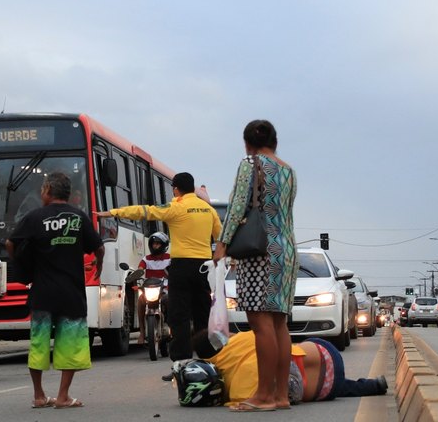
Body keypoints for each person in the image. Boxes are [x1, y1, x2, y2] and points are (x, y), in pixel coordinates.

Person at [97, 171, 222, 380]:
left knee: (179, 315)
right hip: (204, 267)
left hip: (181, 267)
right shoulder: (208, 210)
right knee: (202, 314)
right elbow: (221, 236)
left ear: (175, 188)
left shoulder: (175, 207)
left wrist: (112, 212)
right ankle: (209, 360)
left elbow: (144, 211)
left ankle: (181, 364)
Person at [213, 119, 298, 411]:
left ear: (247, 144)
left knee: (260, 323)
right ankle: (281, 395)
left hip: (259, 252)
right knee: (279, 323)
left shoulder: (251, 165)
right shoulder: (289, 171)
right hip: (285, 250)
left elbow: (238, 205)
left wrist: (222, 244)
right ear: (275, 141)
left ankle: (263, 395)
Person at [5, 172, 105, 410]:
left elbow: (11, 243)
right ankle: (62, 396)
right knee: (70, 345)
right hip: (71, 293)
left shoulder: (34, 217)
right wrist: (98, 268)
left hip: (42, 292)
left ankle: (39, 395)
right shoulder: (79, 217)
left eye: (42, 189)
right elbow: (99, 248)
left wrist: (23, 264)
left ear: (48, 190)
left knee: (38, 344)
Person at [189, 330, 387, 409]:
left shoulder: (235, 388)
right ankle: (368, 385)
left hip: (326, 389)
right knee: (294, 350)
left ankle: (369, 386)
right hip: (324, 350)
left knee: (334, 385)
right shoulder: (246, 337)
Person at [136, 231, 171, 345]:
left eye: (158, 244)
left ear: (164, 245)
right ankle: (142, 332)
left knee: (170, 301)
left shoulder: (170, 258)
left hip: (164, 290)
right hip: (150, 289)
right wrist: (139, 271)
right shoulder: (146, 259)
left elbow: (175, 270)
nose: (155, 246)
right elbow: (141, 268)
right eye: (153, 244)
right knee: (140, 301)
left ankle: (170, 326)